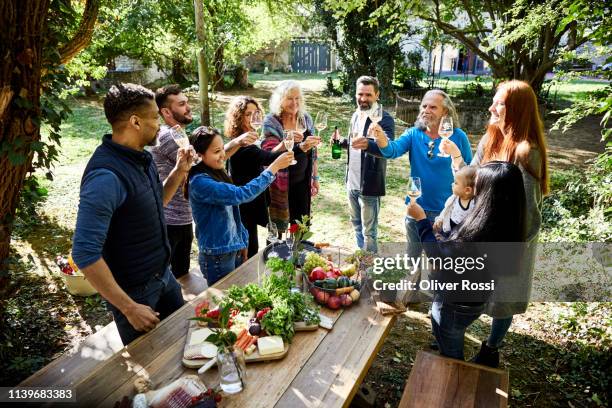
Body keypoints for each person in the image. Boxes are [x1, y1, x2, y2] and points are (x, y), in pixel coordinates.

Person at [72, 83, 194, 345]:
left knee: (187, 344)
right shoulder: (105, 177)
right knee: (154, 370)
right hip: (137, 294)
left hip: (165, 277)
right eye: (154, 118)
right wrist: (129, 308)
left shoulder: (141, 157)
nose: (160, 125)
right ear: (135, 122)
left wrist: (179, 171)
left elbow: (153, 203)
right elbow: (84, 253)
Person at [441, 80, 549, 367]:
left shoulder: (528, 152)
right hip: (484, 235)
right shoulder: (490, 139)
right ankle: (449, 337)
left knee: (503, 297)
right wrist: (455, 158)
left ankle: (491, 348)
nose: (491, 107)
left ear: (517, 110)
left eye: (499, 103)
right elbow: (471, 177)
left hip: (512, 241)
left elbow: (531, 215)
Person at [407, 161, 527, 361]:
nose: (473, 190)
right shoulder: (505, 223)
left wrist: (421, 222)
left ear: (489, 193)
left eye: (478, 185)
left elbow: (438, 258)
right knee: (452, 339)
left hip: (453, 305)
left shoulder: (477, 232)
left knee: (451, 358)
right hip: (475, 300)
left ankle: (457, 384)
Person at [152, 85, 259, 278]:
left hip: (182, 217)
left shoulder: (178, 134)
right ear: (166, 112)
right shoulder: (169, 137)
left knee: (180, 275)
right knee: (175, 278)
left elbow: (211, 158)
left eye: (187, 102)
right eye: (182, 104)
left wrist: (236, 143)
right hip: (171, 220)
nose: (188, 107)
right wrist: (236, 143)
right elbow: (204, 162)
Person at [371, 89, 472, 259]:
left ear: (445, 112)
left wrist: (455, 154)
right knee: (413, 258)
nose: (426, 110)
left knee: (442, 261)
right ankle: (413, 285)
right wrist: (380, 137)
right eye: (424, 106)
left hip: (446, 212)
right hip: (417, 207)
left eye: (433, 107)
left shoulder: (458, 136)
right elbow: (392, 151)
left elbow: (469, 172)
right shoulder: (414, 133)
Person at [186, 126, 294, 285]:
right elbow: (241, 195)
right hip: (217, 257)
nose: (223, 154)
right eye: (216, 152)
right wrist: (273, 168)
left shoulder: (215, 171)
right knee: (225, 303)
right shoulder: (201, 182)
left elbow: (233, 214)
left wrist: (242, 241)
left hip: (231, 249)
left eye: (222, 148)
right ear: (199, 156)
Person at [224, 96, 286, 258]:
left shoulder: (250, 139)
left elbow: (263, 157)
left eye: (255, 114)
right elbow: (267, 158)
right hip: (244, 203)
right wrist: (298, 147)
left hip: (251, 200)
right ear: (238, 118)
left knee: (251, 244)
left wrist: (286, 144)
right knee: (248, 249)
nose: (252, 118)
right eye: (247, 114)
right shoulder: (242, 144)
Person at [345, 76, 395, 253]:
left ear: (377, 95)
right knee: (356, 224)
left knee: (369, 232)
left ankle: (370, 268)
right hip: (351, 181)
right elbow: (354, 142)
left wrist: (368, 144)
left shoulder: (384, 119)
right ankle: (361, 257)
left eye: (368, 95)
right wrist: (342, 142)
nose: (363, 99)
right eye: (360, 94)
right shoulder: (355, 114)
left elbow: (387, 149)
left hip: (370, 183)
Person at [262, 80, 320, 232]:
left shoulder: (305, 118)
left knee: (301, 227)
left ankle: (299, 253)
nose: (294, 102)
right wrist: (286, 141)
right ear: (280, 100)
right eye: (289, 98)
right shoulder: (272, 121)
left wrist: (315, 178)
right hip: (279, 184)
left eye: (297, 98)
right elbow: (269, 154)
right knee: (277, 229)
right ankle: (277, 254)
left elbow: (313, 152)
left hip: (302, 181)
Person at [433, 165, 476, 238]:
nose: (452, 184)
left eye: (456, 183)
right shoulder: (454, 198)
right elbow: (447, 209)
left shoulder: (474, 204)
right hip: (449, 226)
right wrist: (440, 219)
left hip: (461, 232)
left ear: (467, 190)